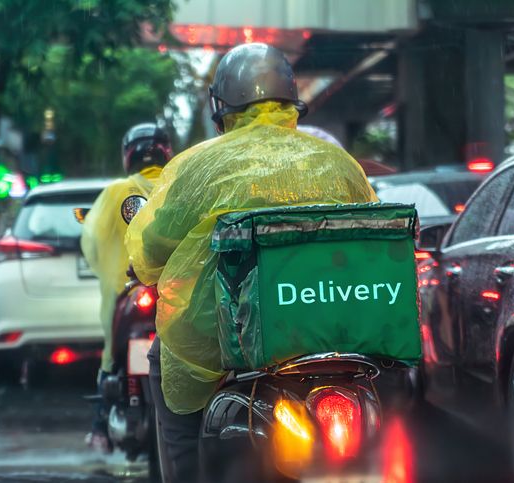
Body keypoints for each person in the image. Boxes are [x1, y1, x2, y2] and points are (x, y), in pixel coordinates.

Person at [125, 43, 376, 481]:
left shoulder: (198, 168)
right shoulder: (340, 163)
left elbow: (149, 253)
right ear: (291, 101)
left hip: (222, 342)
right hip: (329, 333)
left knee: (166, 365)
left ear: (222, 108)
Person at [80, 122, 173, 452]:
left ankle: (100, 424)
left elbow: (90, 241)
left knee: (110, 360)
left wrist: (110, 272)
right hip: (177, 294)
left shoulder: (116, 192)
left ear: (128, 156)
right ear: (166, 151)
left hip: (128, 295)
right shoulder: (179, 182)